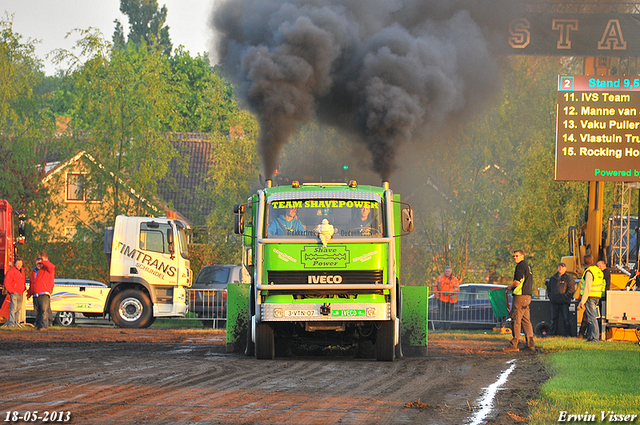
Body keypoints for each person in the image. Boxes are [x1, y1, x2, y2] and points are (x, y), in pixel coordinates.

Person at [504, 249, 535, 352]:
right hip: (527, 296)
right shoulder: (527, 266)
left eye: (517, 256)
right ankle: (530, 344)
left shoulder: (520, 266)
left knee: (516, 319)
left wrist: (510, 287)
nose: (515, 258)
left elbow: (517, 282)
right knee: (526, 320)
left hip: (520, 296)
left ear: (522, 256)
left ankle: (514, 344)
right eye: (514, 256)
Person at [578, 254, 604, 343]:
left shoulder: (589, 272)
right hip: (597, 296)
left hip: (590, 297)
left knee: (592, 318)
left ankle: (595, 338)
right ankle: (590, 337)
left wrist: (583, 301)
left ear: (584, 262)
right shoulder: (598, 270)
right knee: (592, 317)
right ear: (592, 260)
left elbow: (587, 287)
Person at [545, 262, 575, 336]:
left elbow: (571, 290)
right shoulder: (553, 278)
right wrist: (551, 296)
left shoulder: (569, 279)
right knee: (553, 319)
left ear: (566, 269)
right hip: (554, 302)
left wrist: (565, 298)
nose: (560, 268)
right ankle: (552, 334)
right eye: (559, 267)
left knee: (566, 319)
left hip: (564, 302)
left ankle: (567, 334)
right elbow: (548, 288)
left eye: (562, 267)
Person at [27, 253, 55, 331]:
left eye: (40, 262)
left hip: (44, 293)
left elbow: (52, 266)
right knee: (37, 311)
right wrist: (30, 292)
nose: (39, 264)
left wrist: (43, 262)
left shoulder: (46, 270)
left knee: (44, 311)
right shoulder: (34, 272)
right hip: (36, 294)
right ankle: (39, 326)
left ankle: (44, 326)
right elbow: (32, 283)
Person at [3, 257, 26, 327]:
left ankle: (16, 322)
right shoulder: (11, 271)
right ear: (15, 264)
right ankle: (11, 323)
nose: (19, 265)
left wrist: (24, 288)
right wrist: (12, 291)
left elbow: (23, 281)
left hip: (21, 292)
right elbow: (6, 282)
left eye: (20, 264)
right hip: (14, 293)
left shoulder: (22, 271)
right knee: (13, 308)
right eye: (17, 263)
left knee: (18, 309)